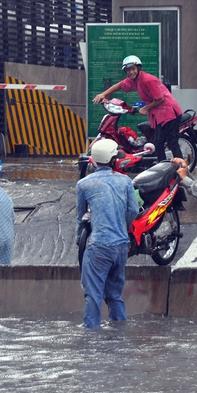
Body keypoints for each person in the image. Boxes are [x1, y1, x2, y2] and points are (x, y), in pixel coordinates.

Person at [76, 139, 139, 329]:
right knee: (114, 295)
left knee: (93, 295)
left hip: (99, 247)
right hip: (120, 247)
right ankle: (120, 333)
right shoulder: (125, 181)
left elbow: (80, 217)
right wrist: (122, 226)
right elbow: (133, 211)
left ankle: (90, 340)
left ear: (94, 161)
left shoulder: (83, 184)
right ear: (113, 160)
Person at [92, 55, 183, 163]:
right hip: (159, 114)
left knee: (171, 143)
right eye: (128, 70)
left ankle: (182, 169)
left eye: (133, 69)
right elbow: (120, 85)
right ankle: (162, 168)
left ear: (138, 68)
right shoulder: (133, 81)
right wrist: (103, 94)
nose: (131, 72)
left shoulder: (148, 80)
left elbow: (160, 99)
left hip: (169, 113)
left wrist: (146, 108)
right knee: (158, 143)